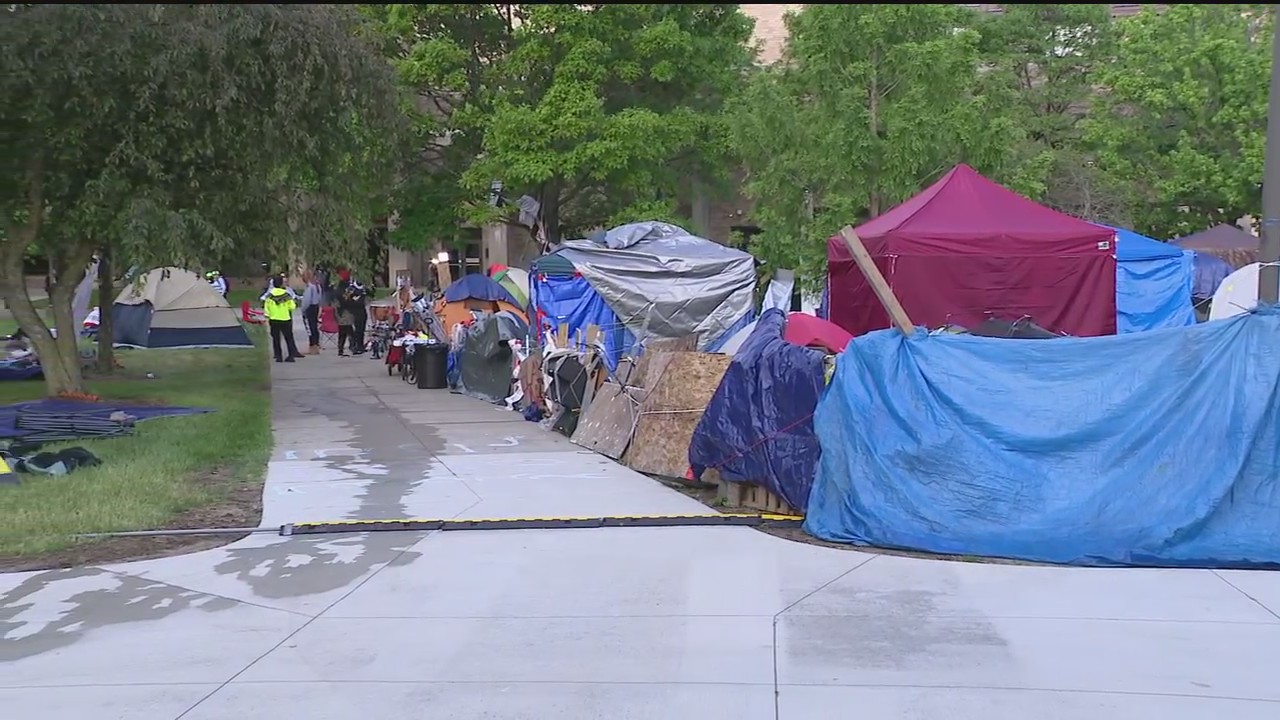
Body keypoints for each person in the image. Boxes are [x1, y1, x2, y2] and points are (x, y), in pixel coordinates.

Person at [263, 276, 305, 363]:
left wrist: (269, 315)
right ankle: (290, 356)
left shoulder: (270, 296)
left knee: (276, 338)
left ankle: (279, 356)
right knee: (288, 338)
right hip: (286, 319)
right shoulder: (287, 295)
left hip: (274, 319)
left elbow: (266, 308)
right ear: (281, 283)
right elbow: (292, 307)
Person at [299, 273, 324, 355]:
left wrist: (303, 309)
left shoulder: (309, 287)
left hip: (310, 308)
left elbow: (307, 300)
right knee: (314, 327)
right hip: (316, 307)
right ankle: (316, 345)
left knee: (310, 328)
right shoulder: (317, 286)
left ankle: (312, 346)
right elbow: (320, 298)